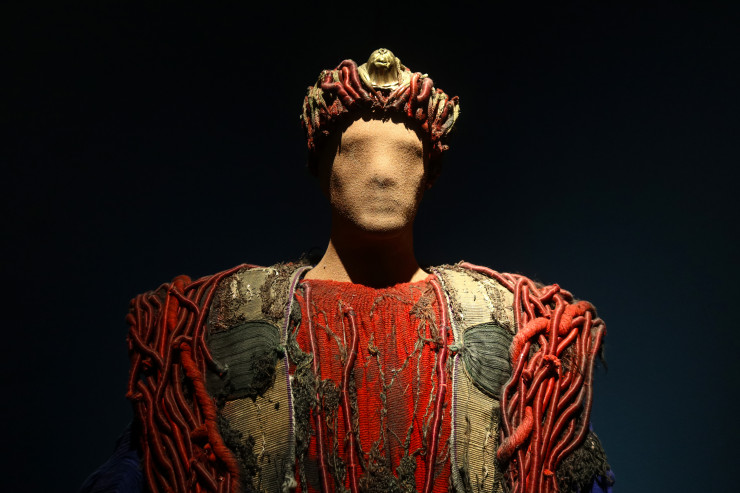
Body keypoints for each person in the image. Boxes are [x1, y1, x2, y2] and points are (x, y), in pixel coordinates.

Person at [81, 49, 614, 493]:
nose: (382, 174)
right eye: (355, 150)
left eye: (407, 153)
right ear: (320, 166)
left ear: (431, 172)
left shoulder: (519, 321)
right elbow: (147, 461)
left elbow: (570, 467)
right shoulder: (215, 316)